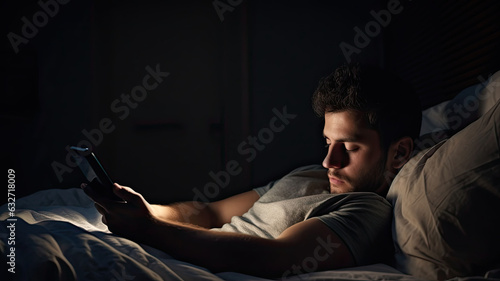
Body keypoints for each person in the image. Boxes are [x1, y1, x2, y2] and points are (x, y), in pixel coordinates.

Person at [83, 63, 422, 278]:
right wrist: (144, 209)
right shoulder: (310, 175)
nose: (329, 161)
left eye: (349, 147)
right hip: (172, 245)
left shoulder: (367, 209)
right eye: (327, 142)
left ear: (399, 153)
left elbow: (275, 258)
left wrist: (151, 229)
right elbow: (211, 211)